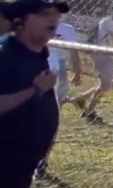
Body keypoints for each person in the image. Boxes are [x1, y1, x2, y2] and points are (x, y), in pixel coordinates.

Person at [0, 0, 65, 188]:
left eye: (56, 16)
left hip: (23, 164)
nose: (53, 20)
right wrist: (35, 89)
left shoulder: (38, 56)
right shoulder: (2, 58)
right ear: (20, 21)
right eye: (44, 14)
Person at [34, 19, 82, 179]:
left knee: (51, 117)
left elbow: (74, 52)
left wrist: (77, 71)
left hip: (57, 71)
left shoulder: (67, 29)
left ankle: (42, 161)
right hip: (36, 69)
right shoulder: (34, 22)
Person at [70, 13, 113, 122]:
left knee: (105, 84)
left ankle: (80, 100)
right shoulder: (108, 21)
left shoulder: (108, 21)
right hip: (101, 54)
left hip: (105, 55)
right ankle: (88, 111)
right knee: (106, 85)